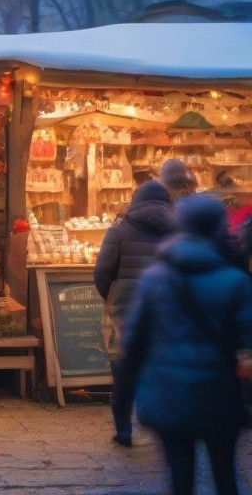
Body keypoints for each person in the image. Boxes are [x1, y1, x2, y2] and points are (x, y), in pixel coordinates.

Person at [121, 194, 252, 495]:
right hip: (220, 394)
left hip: (168, 393)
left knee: (180, 479)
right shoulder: (235, 280)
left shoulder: (155, 278)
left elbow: (135, 340)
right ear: (219, 227)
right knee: (225, 474)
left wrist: (126, 399)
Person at [93, 179, 177, 447]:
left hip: (126, 307)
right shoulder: (179, 231)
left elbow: (102, 272)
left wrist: (114, 298)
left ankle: (124, 430)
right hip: (165, 307)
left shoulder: (119, 231)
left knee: (124, 369)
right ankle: (163, 424)